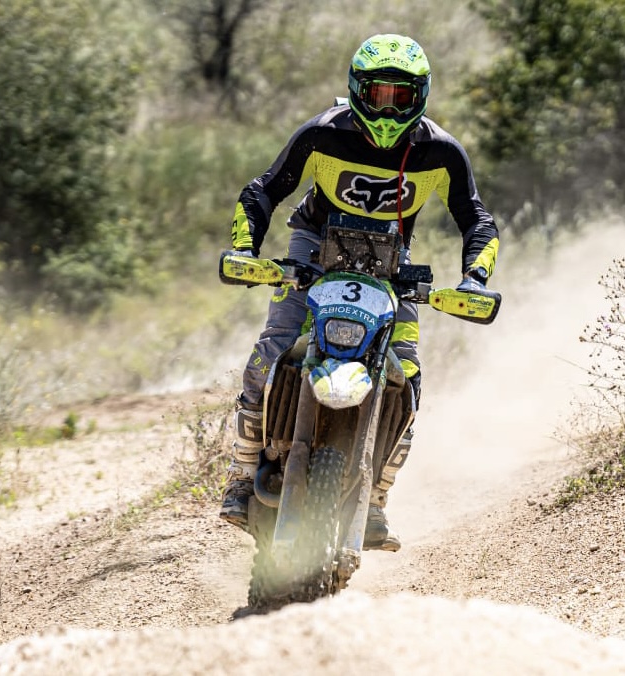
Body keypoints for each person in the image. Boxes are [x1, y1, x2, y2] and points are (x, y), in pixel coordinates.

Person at [219, 33, 500, 552]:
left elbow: (476, 219)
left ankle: (375, 498)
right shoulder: (323, 134)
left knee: (407, 374)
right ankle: (241, 474)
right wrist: (244, 249)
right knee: (273, 347)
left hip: (390, 263)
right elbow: (264, 189)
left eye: (401, 95)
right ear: (356, 91)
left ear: (421, 96)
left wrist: (473, 280)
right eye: (377, 95)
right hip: (312, 246)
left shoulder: (441, 151)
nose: (388, 107)